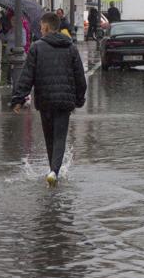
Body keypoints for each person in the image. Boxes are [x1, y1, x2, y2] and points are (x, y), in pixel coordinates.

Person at [11, 13, 87, 187]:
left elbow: (26, 76)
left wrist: (18, 99)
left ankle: (53, 170)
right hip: (64, 101)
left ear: (45, 27)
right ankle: (54, 172)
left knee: (49, 137)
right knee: (60, 137)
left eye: (40, 27)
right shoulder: (70, 47)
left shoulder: (36, 48)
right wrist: (79, 98)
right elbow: (79, 77)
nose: (40, 30)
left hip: (45, 100)